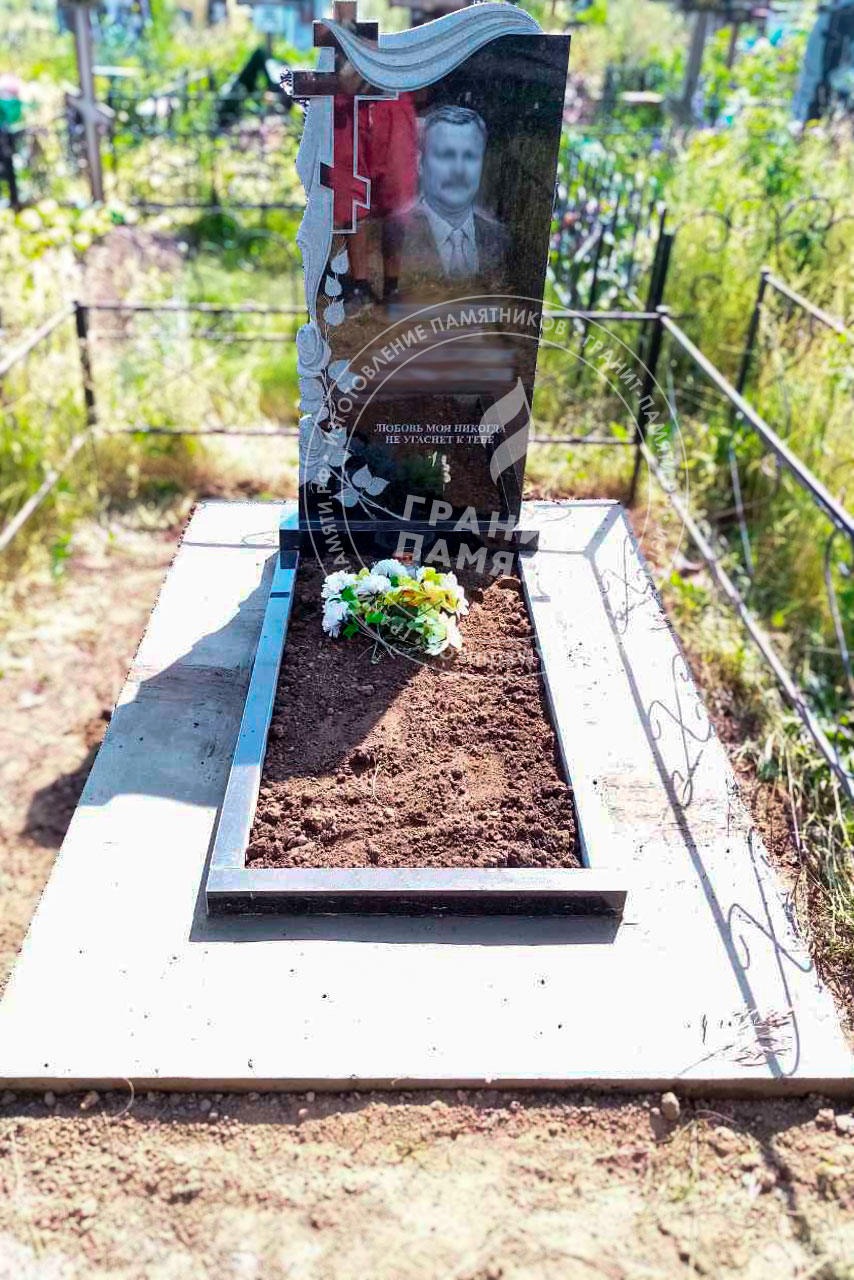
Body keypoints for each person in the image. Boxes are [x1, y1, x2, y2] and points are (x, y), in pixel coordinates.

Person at [384, 104, 509, 301]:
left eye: (470, 156)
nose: (459, 170)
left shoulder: (497, 236)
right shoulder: (398, 231)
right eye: (446, 155)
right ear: (420, 164)